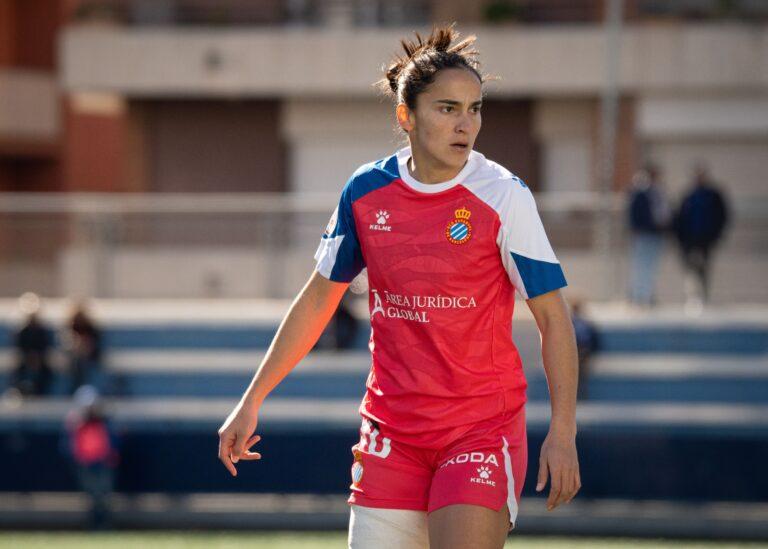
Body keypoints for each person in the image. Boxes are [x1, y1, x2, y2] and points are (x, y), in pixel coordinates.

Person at [218, 26, 580, 549]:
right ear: (405, 116)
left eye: (475, 109)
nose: (466, 124)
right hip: (390, 436)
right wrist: (252, 399)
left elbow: (554, 319)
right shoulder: (365, 192)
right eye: (447, 108)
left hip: (478, 431)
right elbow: (320, 298)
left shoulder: (505, 197)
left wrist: (563, 433)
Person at [673, 163, 729, 309]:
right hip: (689, 239)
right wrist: (680, 237)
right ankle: (692, 296)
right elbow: (680, 218)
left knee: (704, 267)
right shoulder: (689, 195)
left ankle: (704, 295)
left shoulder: (713, 195)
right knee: (690, 267)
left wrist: (716, 234)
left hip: (706, 238)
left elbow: (722, 215)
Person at [63, 386, 119, 530]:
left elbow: (112, 443)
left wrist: (109, 457)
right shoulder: (75, 424)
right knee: (92, 497)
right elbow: (69, 446)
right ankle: (94, 524)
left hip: (102, 464)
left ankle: (104, 524)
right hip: (87, 465)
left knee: (103, 497)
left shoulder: (105, 421)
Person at [626, 165, 671, 307]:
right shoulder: (640, 193)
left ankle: (647, 294)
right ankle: (638, 296)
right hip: (643, 234)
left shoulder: (658, 193)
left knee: (651, 266)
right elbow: (633, 214)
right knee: (640, 265)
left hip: (655, 234)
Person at [10, 293, 54, 396]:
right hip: (26, 362)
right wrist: (29, 357)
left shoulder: (43, 331)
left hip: (41, 362)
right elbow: (20, 348)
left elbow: (45, 347)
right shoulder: (22, 332)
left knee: (46, 374)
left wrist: (38, 358)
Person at [64, 302, 103, 394]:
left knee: (84, 365)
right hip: (75, 357)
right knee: (76, 364)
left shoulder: (92, 328)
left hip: (90, 357)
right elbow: (67, 343)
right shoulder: (71, 328)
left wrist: (86, 348)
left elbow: (95, 345)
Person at [569, 298, 598, 401]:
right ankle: (577, 395)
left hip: (582, 350)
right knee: (575, 374)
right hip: (575, 350)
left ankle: (580, 395)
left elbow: (594, 338)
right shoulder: (570, 322)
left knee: (580, 374)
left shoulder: (583, 323)